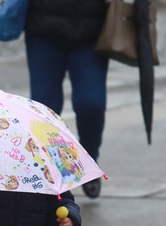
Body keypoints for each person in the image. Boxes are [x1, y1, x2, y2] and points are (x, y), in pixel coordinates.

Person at [23, 0, 109, 198]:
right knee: (44, 107)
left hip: (92, 32)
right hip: (43, 30)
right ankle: (46, 170)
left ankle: (88, 163)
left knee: (91, 103)